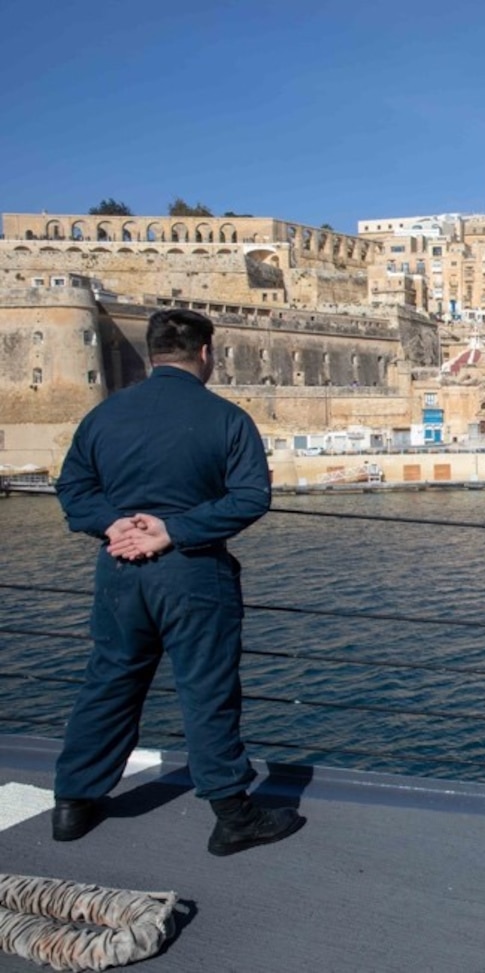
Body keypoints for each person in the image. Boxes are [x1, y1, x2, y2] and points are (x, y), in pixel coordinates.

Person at [51, 308, 305, 856]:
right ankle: (232, 814)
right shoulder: (227, 419)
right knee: (207, 690)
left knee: (110, 681)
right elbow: (249, 498)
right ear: (207, 354)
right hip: (194, 572)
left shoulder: (104, 416)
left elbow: (72, 487)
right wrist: (173, 531)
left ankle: (73, 803)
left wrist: (113, 523)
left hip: (119, 570)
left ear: (151, 354)